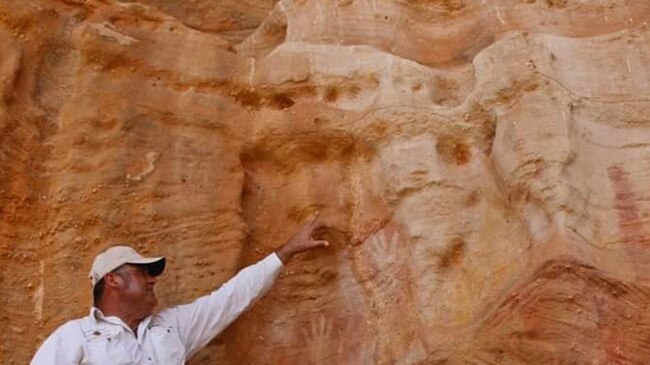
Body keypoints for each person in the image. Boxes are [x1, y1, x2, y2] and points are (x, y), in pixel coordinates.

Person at [31, 215, 329, 364]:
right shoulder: (76, 336)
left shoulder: (171, 327)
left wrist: (286, 252)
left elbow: (231, 298)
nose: (152, 280)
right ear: (113, 280)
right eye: (142, 272)